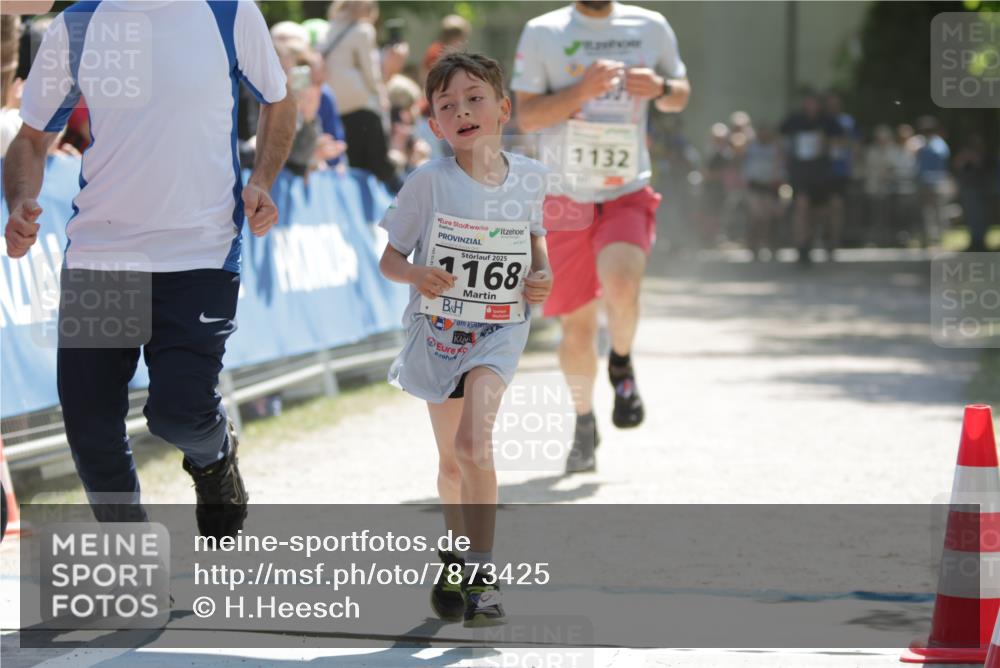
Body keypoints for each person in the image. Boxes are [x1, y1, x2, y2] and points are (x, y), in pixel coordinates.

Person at [3, 0, 297, 535]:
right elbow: (30, 139)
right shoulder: (78, 22)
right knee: (90, 424)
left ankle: (214, 457)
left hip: (199, 251)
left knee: (179, 414)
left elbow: (279, 102)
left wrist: (263, 181)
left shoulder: (228, 11)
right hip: (101, 254)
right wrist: (21, 201)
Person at [378, 52, 552, 626]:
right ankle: (455, 553)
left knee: (475, 446)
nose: (463, 111)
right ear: (434, 125)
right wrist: (416, 274)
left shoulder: (529, 176)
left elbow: (535, 240)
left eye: (475, 98)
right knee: (451, 464)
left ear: (503, 108)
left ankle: (481, 574)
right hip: (438, 335)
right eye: (447, 105)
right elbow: (390, 259)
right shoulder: (427, 183)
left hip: (499, 332)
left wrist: (541, 273)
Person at [512, 0, 690, 473]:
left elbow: (680, 94)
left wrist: (662, 88)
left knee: (623, 283)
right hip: (565, 198)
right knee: (577, 327)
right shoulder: (543, 31)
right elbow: (526, 117)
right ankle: (584, 420)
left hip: (625, 188)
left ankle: (622, 361)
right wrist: (581, 90)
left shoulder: (650, 26)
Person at [321, 0, 401, 192]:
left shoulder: (330, 28)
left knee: (355, 162)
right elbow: (370, 69)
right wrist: (380, 93)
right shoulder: (363, 29)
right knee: (378, 162)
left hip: (336, 103)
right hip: (361, 102)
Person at [779, 90, 843, 264]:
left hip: (822, 173)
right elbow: (782, 139)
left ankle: (829, 240)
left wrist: (827, 144)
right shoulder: (795, 121)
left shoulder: (829, 122)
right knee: (802, 205)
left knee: (828, 208)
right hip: (801, 172)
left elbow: (838, 148)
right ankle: (802, 245)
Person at [742, 123, 785, 259]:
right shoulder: (751, 147)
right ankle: (753, 246)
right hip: (754, 185)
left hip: (770, 186)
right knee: (756, 216)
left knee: (769, 218)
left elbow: (780, 166)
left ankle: (768, 245)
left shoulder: (775, 148)